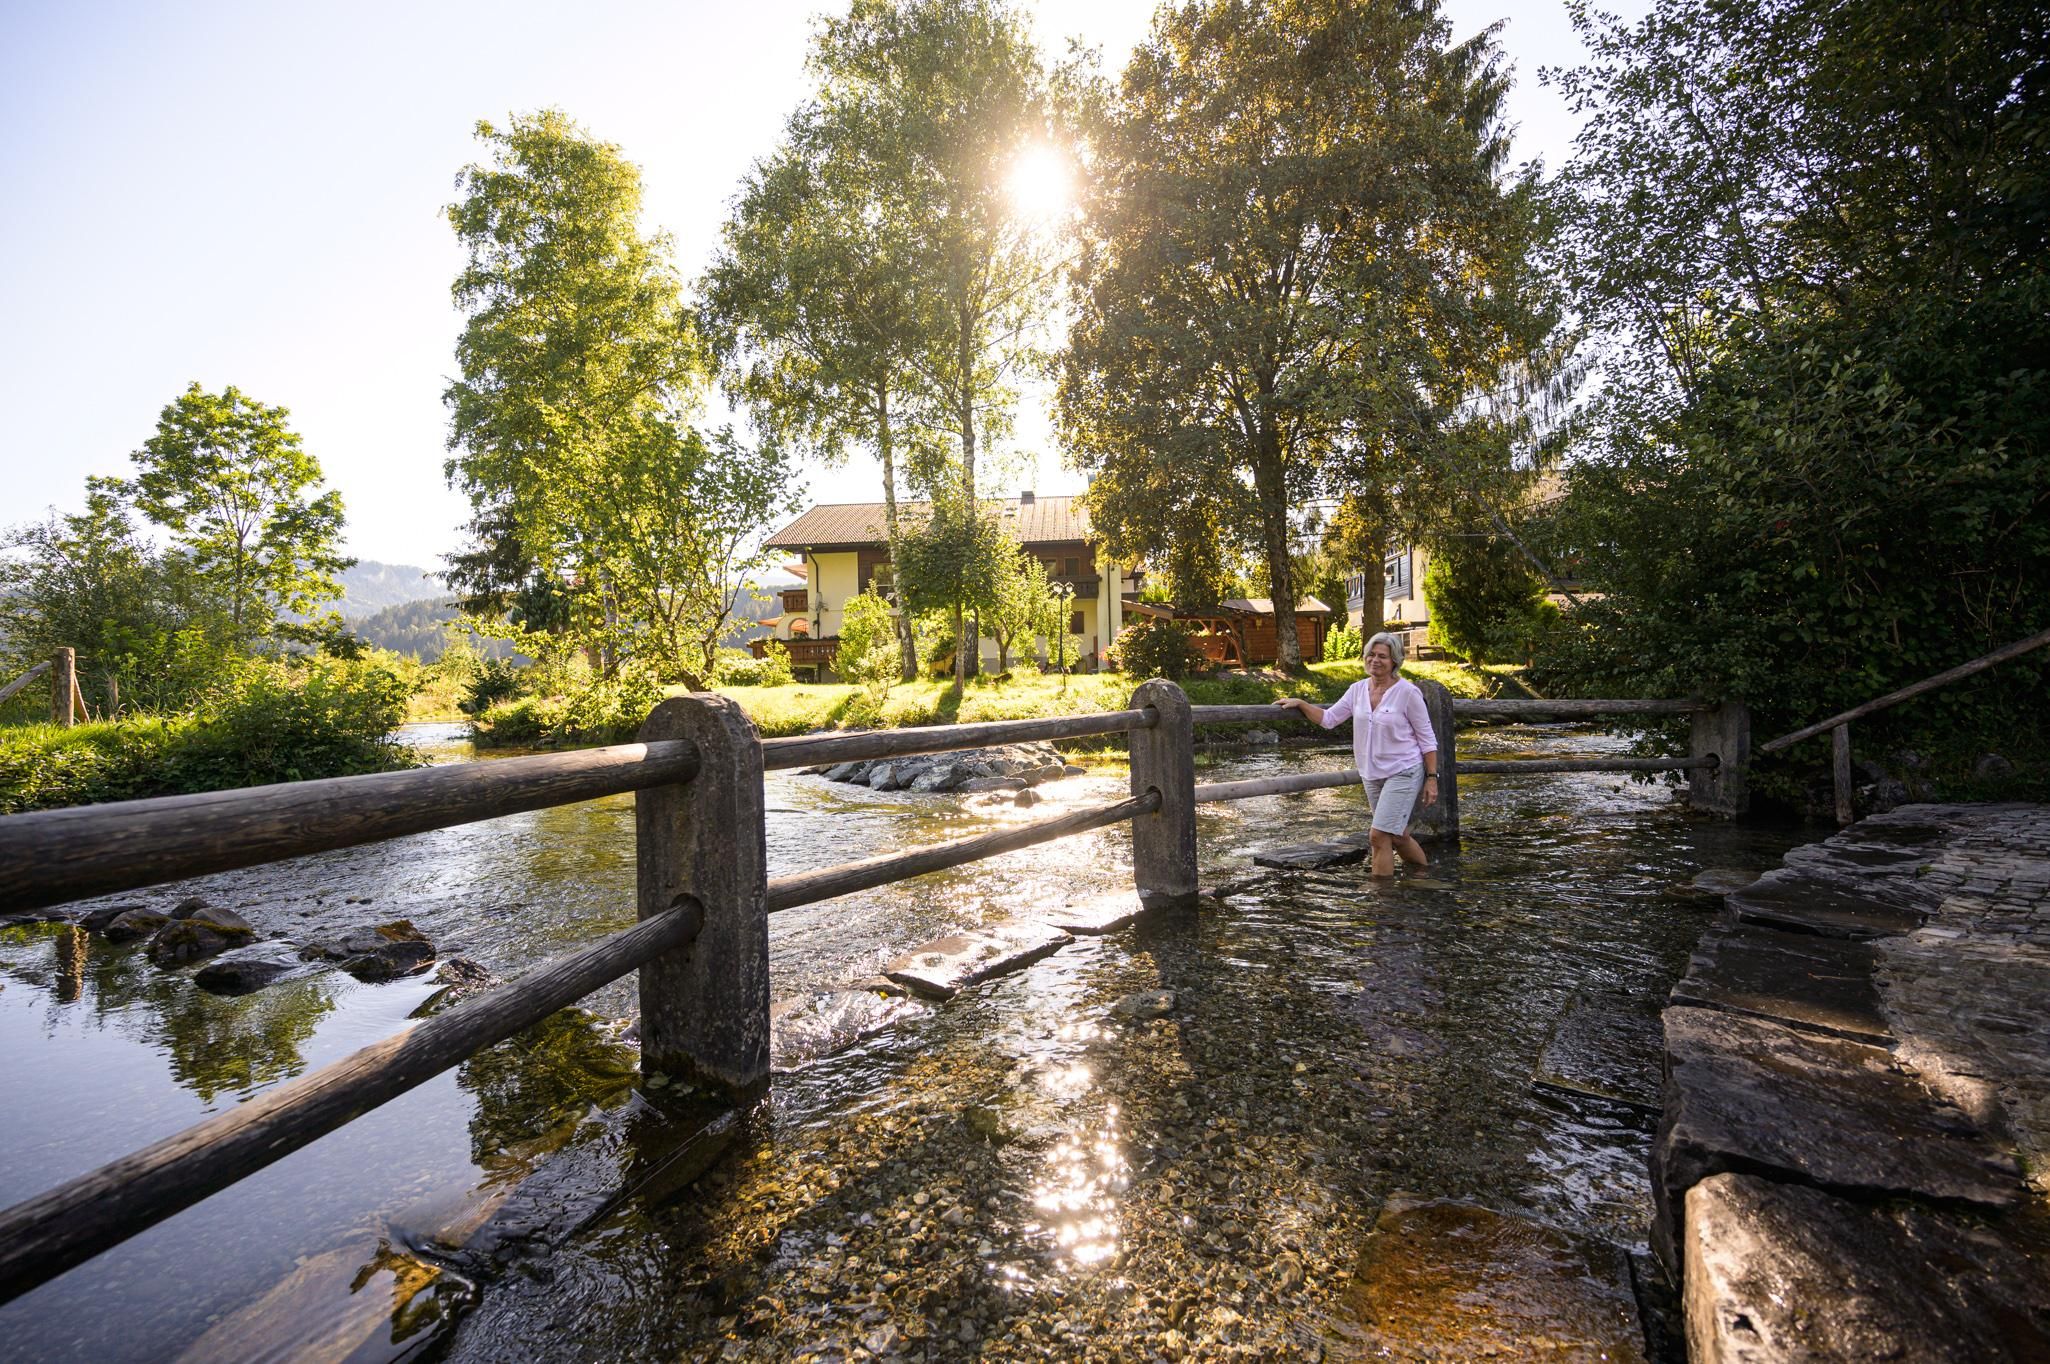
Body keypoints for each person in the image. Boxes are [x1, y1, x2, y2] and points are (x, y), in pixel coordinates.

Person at [1274, 631, 1439, 876]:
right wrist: (1301, 703)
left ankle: (1381, 901)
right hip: (1371, 774)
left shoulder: (1408, 693)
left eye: (1382, 656)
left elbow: (1427, 739)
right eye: (1371, 654)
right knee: (1397, 834)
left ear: (1394, 660)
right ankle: (1423, 876)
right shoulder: (1357, 690)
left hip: (1403, 771)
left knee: (1378, 835)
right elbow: (1329, 719)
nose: (1375, 660)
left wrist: (1432, 778)